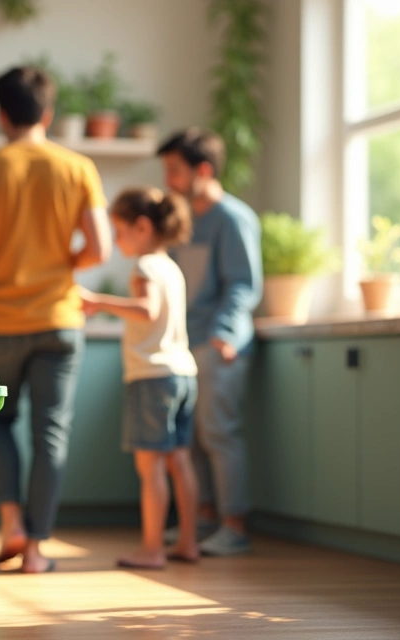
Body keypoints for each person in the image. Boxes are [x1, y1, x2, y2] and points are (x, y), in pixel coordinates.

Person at [0, 67, 110, 574]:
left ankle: (11, 523)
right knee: (50, 433)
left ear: (1, 114)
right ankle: (36, 550)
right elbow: (99, 249)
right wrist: (63, 262)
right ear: (49, 113)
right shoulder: (78, 167)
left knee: (0, 422)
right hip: (59, 318)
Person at [80, 188, 200, 569]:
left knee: (150, 467)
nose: (116, 240)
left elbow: (146, 310)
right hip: (183, 372)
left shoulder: (145, 267)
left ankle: (151, 549)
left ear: (143, 227)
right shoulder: (172, 267)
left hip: (152, 376)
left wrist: (98, 301)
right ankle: (187, 542)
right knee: (179, 462)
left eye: (119, 231)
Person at [157, 129, 262, 556]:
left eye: (175, 171)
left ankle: (233, 525)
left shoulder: (233, 218)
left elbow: (242, 284)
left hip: (219, 343)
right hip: (185, 343)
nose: (169, 180)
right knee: (192, 435)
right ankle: (201, 520)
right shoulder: (186, 221)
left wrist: (225, 333)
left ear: (203, 170)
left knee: (218, 433)